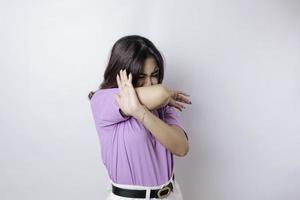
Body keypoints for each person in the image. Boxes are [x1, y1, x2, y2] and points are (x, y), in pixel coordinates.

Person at [88, 35, 192, 199]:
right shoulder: (103, 99)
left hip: (171, 194)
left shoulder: (163, 105)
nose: (150, 83)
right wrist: (163, 96)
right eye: (141, 76)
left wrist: (140, 112)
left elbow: (181, 148)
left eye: (154, 74)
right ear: (121, 73)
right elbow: (162, 92)